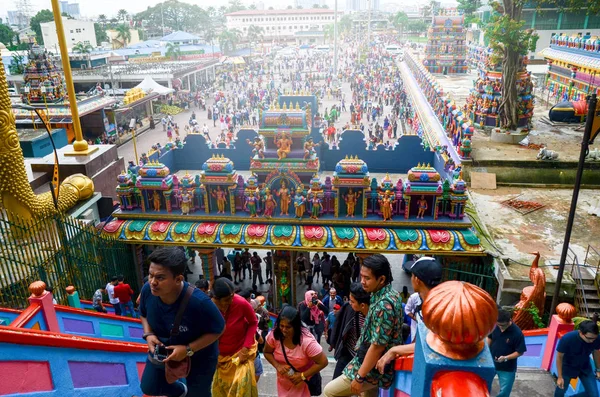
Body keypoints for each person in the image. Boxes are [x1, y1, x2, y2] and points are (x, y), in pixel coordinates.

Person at [139, 247, 225, 397]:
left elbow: (219, 329)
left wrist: (188, 349)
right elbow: (143, 313)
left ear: (178, 279)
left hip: (200, 356)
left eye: (160, 278)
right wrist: (148, 334)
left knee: (198, 394)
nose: (153, 282)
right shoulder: (148, 290)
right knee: (149, 386)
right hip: (163, 351)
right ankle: (180, 392)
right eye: (150, 275)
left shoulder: (199, 302)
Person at [324, 254, 403, 397]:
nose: (362, 282)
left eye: (367, 278)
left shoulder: (384, 305)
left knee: (329, 392)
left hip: (372, 370)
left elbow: (377, 346)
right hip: (372, 365)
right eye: (361, 277)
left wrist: (359, 377)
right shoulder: (390, 294)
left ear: (381, 279)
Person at [376, 257, 444, 372]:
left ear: (417, 280)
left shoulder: (434, 309)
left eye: (412, 276)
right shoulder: (435, 302)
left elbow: (431, 345)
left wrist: (395, 350)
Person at [263, 306, 329, 397]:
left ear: (296, 326)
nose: (284, 330)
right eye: (281, 326)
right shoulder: (274, 335)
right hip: (283, 383)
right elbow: (267, 352)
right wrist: (277, 366)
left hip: (303, 384)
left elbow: (323, 362)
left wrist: (302, 376)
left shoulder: (307, 342)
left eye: (288, 327)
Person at [210, 278, 259, 397]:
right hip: (220, 358)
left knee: (242, 389)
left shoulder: (241, 302)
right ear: (216, 299)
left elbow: (253, 322)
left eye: (232, 296)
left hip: (240, 354)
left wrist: (245, 348)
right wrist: (212, 355)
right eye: (227, 299)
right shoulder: (208, 307)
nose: (231, 301)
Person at [330, 283, 369, 379]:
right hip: (347, 352)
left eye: (352, 301)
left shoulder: (373, 318)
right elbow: (339, 324)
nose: (349, 303)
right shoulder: (348, 308)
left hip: (363, 359)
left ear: (362, 305)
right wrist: (333, 343)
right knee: (333, 389)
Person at [554, 316, 600, 397]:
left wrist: (598, 370)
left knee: (594, 395)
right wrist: (560, 377)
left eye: (594, 338)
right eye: (589, 338)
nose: (592, 341)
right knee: (560, 391)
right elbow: (559, 357)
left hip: (585, 367)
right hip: (567, 367)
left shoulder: (596, 338)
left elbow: (596, 352)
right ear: (581, 333)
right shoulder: (567, 339)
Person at [488, 309, 527, 397]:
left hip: (507, 367)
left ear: (510, 321)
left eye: (503, 325)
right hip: (491, 363)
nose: (501, 327)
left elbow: (520, 352)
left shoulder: (517, 333)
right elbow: (490, 337)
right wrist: (486, 349)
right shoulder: (495, 326)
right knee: (484, 384)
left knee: (504, 391)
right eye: (499, 325)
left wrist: (506, 358)